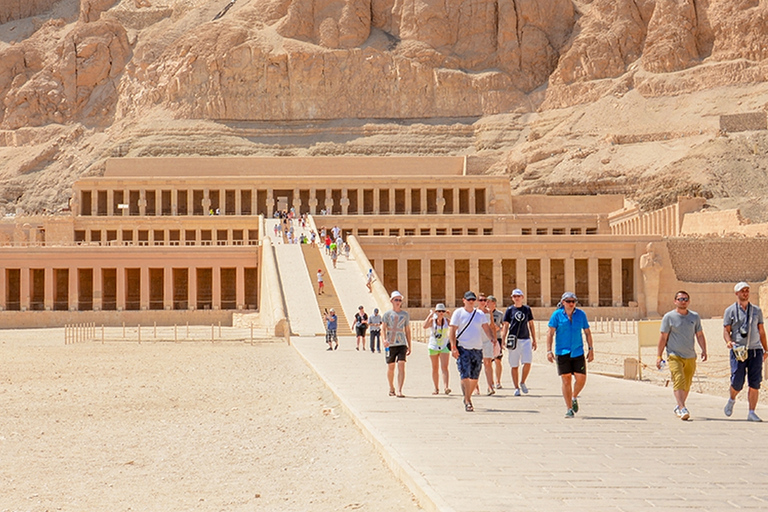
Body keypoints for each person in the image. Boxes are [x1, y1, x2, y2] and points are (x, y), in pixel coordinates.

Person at [656, 290, 707, 421]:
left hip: (690, 355)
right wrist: (659, 356)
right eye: (680, 299)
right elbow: (663, 337)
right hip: (674, 355)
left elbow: (699, 335)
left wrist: (704, 350)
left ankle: (679, 406)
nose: (683, 301)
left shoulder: (694, 317)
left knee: (687, 384)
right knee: (678, 379)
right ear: (675, 301)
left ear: (689, 301)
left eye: (685, 299)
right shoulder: (669, 317)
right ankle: (682, 407)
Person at [723, 282, 767, 422]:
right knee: (737, 381)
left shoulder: (756, 311)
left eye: (747, 290)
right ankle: (732, 399)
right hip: (738, 351)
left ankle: (752, 412)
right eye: (743, 291)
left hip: (755, 350)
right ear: (737, 293)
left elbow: (761, 331)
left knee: (755, 383)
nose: (745, 293)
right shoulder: (730, 311)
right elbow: (726, 330)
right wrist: (728, 341)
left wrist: (766, 348)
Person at [547, 292, 594, 418]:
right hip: (562, 352)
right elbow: (550, 333)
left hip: (578, 351)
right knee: (566, 379)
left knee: (581, 378)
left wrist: (591, 349)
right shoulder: (557, 315)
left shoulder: (581, 314)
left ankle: (574, 396)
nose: (571, 303)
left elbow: (587, 332)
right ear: (563, 302)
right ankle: (568, 408)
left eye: (573, 301)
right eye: (568, 301)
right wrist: (548, 351)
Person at [450, 291, 495, 412]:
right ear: (464, 300)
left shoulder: (479, 314)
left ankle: (467, 397)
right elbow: (452, 330)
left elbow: (486, 328)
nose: (471, 302)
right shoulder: (458, 313)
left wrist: (493, 339)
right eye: (469, 299)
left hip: (477, 348)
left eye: (472, 300)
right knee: (465, 375)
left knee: (475, 376)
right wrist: (453, 347)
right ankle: (468, 401)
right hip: (463, 348)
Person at [501, 289, 537, 396]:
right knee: (514, 365)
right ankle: (516, 387)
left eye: (518, 296)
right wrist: (503, 340)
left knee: (527, 362)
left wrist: (534, 339)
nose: (516, 298)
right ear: (512, 298)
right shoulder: (509, 310)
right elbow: (506, 326)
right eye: (514, 296)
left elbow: (531, 324)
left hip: (525, 339)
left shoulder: (527, 309)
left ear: (522, 297)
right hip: (513, 340)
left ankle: (522, 381)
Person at [381, 291, 411, 398]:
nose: (398, 302)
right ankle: (391, 387)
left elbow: (407, 330)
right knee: (391, 367)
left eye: (400, 300)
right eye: (396, 300)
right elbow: (383, 328)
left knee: (401, 365)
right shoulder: (387, 314)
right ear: (391, 301)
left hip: (402, 343)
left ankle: (399, 389)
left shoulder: (405, 315)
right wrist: (384, 340)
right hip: (390, 344)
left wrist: (409, 345)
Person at [423, 303, 451, 395]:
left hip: (444, 346)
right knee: (435, 368)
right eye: (439, 311)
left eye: (442, 311)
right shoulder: (432, 321)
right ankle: (436, 388)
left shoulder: (446, 321)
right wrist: (430, 315)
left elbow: (456, 324)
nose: (441, 313)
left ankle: (446, 387)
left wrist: (450, 315)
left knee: (445, 367)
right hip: (433, 346)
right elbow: (424, 326)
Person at [477, 293, 498, 395]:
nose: (483, 302)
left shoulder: (489, 312)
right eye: (480, 300)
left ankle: (490, 386)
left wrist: (494, 339)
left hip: (487, 340)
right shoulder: (474, 312)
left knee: (488, 363)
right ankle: (476, 388)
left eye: (484, 300)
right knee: (476, 364)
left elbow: (492, 326)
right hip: (476, 341)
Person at [487, 296, 504, 389]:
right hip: (488, 339)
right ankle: (491, 382)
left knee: (498, 360)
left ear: (494, 303)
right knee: (488, 361)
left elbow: (504, 325)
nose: (487, 303)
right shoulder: (484, 313)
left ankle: (498, 381)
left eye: (489, 302)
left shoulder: (499, 314)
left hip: (497, 338)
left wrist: (500, 328)